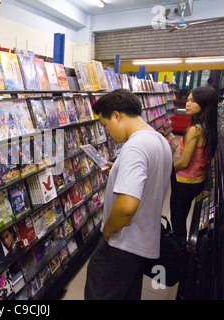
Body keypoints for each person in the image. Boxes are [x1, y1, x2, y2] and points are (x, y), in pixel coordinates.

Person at [84, 89, 172, 300]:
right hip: (142, 244)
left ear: (116, 115)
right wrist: (119, 169)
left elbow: (126, 207)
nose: (107, 132)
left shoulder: (135, 147)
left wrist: (108, 229)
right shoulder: (158, 140)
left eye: (105, 125)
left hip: (121, 245)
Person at [170, 86, 218, 242]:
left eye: (193, 101)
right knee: (182, 214)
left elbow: (184, 163)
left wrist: (167, 169)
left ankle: (179, 249)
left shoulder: (194, 130)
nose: (187, 104)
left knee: (177, 219)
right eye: (188, 100)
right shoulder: (208, 127)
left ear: (204, 104)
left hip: (185, 182)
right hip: (198, 180)